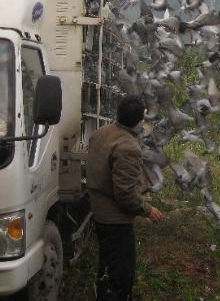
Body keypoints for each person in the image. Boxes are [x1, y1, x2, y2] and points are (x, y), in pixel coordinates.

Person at [87, 95, 163, 301]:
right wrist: (147, 209)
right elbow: (126, 194)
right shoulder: (128, 147)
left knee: (107, 265)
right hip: (115, 220)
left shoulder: (101, 133)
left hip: (99, 211)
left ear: (118, 113)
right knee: (120, 273)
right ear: (140, 120)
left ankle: (104, 294)